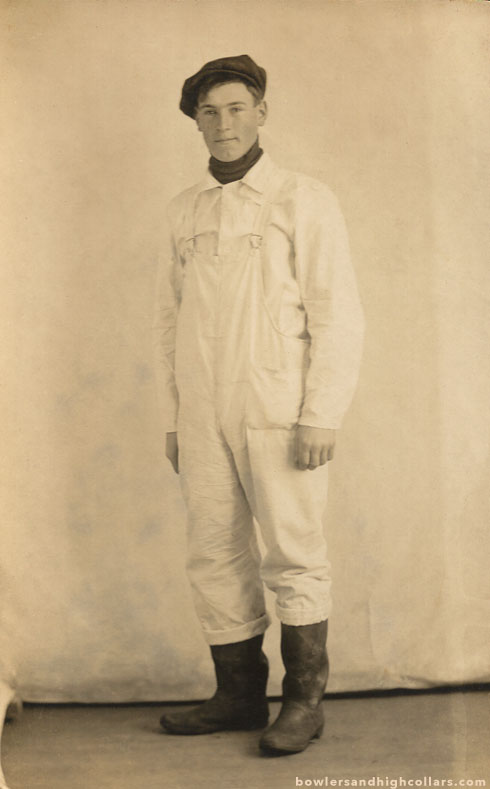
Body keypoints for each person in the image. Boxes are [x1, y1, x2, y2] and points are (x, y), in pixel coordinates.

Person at [153, 54, 364, 755]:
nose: (224, 123)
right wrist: (174, 418)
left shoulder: (303, 199)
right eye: (209, 112)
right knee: (213, 551)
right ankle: (239, 695)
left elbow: (337, 313)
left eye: (237, 108)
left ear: (261, 113)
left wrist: (321, 412)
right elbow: (167, 322)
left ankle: (303, 703)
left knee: (294, 551)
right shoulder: (185, 210)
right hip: (202, 410)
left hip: (277, 405)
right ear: (196, 122)